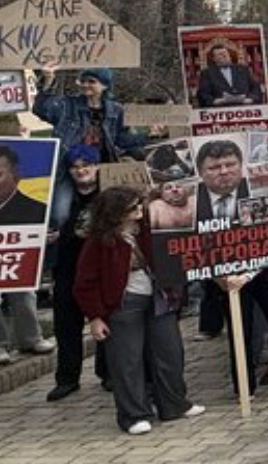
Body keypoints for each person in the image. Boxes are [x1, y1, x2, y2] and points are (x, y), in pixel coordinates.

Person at [73, 187, 203, 436]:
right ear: (117, 213)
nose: (139, 211)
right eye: (133, 208)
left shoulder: (147, 230)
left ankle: (174, 403)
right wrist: (95, 317)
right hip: (123, 304)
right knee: (127, 361)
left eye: (139, 205)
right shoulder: (99, 241)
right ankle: (134, 414)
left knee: (170, 351)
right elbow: (84, 283)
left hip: (158, 296)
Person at [32, 68, 147, 228]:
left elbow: (121, 139)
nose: (85, 85)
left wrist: (149, 136)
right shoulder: (68, 104)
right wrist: (48, 80)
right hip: (69, 167)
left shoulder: (116, 110)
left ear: (105, 86)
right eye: (83, 81)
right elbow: (42, 110)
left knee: (112, 214)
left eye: (91, 81)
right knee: (59, 215)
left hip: (102, 168)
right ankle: (56, 249)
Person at [46, 147, 107, 402]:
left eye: (86, 165)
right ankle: (67, 378)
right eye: (75, 167)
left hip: (100, 270)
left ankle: (109, 373)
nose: (81, 170)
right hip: (67, 270)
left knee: (106, 322)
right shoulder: (60, 202)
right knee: (66, 327)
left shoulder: (107, 196)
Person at [192, 138, 252, 223]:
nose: (224, 172)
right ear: (200, 172)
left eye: (230, 165)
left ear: (241, 166)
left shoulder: (256, 189)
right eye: (214, 167)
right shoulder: (190, 199)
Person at [195, 41, 265, 107]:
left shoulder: (243, 69)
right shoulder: (207, 73)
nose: (225, 56)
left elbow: (255, 88)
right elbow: (203, 93)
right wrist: (216, 101)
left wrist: (251, 99)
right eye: (220, 54)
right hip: (220, 110)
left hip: (245, 108)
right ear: (214, 58)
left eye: (226, 53)